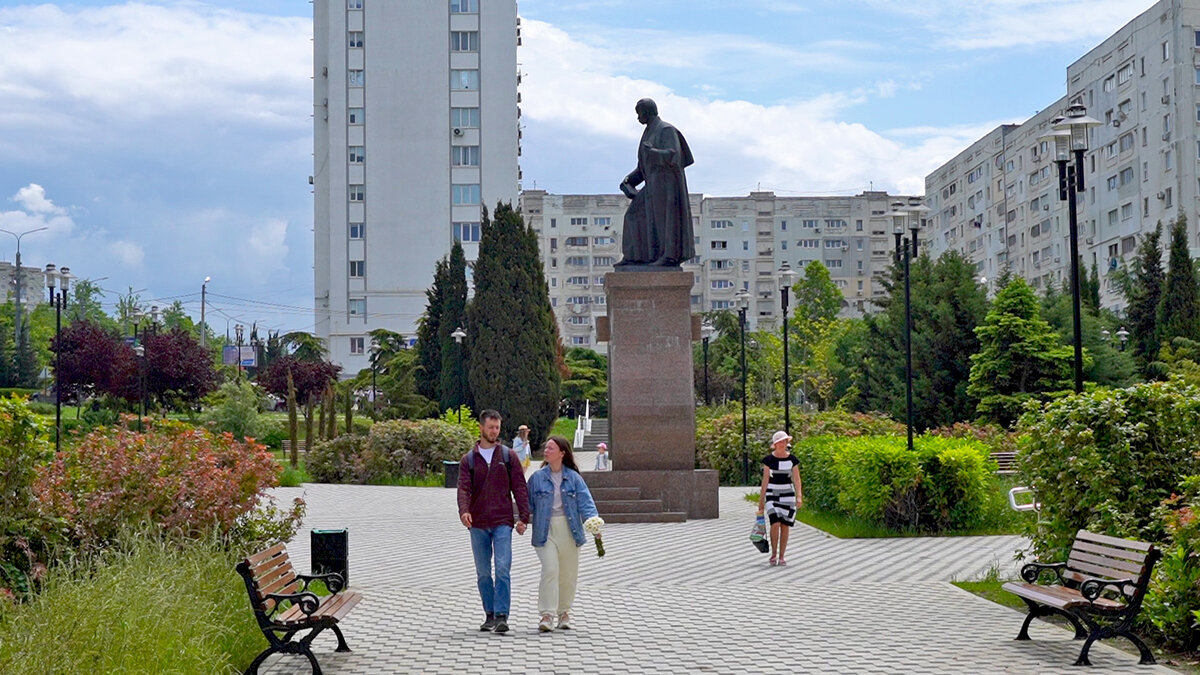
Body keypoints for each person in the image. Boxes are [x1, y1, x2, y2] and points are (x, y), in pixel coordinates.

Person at [457, 409, 531, 633]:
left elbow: (519, 487)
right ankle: (489, 613)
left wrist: (524, 517)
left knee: (502, 568)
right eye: (490, 427)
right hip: (477, 523)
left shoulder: (508, 456)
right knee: (483, 572)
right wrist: (464, 511)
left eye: (497, 427)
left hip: (502, 521)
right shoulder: (468, 460)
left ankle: (501, 615)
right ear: (481, 428)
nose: (494, 431)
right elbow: (463, 488)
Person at [528, 436, 599, 632]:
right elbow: (527, 503)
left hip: (569, 529)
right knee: (551, 569)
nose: (546, 451)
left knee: (568, 574)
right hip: (545, 529)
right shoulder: (537, 478)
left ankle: (564, 612)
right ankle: (547, 615)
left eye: (551, 448)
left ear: (562, 453)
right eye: (546, 447)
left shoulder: (574, 478)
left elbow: (586, 502)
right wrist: (521, 521)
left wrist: (594, 523)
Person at [615, 98, 696, 267]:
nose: (638, 118)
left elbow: (674, 155)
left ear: (648, 111)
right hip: (652, 185)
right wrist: (628, 181)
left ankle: (669, 256)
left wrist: (653, 152)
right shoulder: (648, 132)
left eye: (639, 113)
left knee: (665, 221)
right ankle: (634, 256)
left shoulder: (665, 130)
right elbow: (643, 168)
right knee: (633, 215)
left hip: (667, 186)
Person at [756, 430, 803, 567]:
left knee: (785, 525)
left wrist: (799, 496)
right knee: (775, 522)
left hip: (788, 495)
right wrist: (761, 501)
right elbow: (765, 480)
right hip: (772, 494)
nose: (783, 444)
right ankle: (773, 554)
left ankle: (782, 555)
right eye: (780, 441)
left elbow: (796, 479)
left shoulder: (792, 460)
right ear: (775, 444)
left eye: (785, 441)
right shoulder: (768, 460)